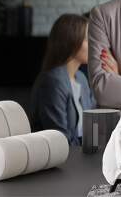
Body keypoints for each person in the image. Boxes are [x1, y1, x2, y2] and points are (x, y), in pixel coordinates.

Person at [30, 14, 96, 145]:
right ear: (72, 41)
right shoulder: (53, 82)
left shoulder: (81, 78)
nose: (93, 44)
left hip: (80, 154)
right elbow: (60, 138)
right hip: (62, 158)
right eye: (88, 39)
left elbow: (94, 122)